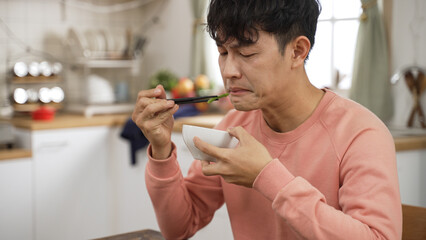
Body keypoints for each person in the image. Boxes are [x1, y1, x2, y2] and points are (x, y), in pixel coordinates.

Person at [132, 0, 402, 239]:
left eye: (247, 54)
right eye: (223, 52)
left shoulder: (361, 134)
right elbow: (178, 228)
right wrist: (161, 149)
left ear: (297, 51)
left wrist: (267, 177)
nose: (229, 71)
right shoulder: (233, 127)